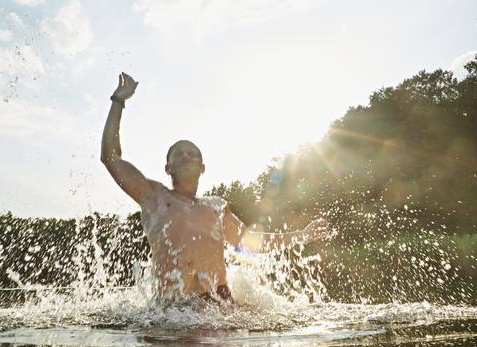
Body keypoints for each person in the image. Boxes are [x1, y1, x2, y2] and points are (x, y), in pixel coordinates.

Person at [101, 72, 329, 301]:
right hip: (171, 313)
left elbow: (249, 242)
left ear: (202, 168)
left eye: (192, 154)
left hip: (218, 309)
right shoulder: (153, 196)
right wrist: (118, 101)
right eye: (178, 154)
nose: (186, 156)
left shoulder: (216, 206)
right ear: (167, 168)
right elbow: (110, 158)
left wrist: (302, 234)